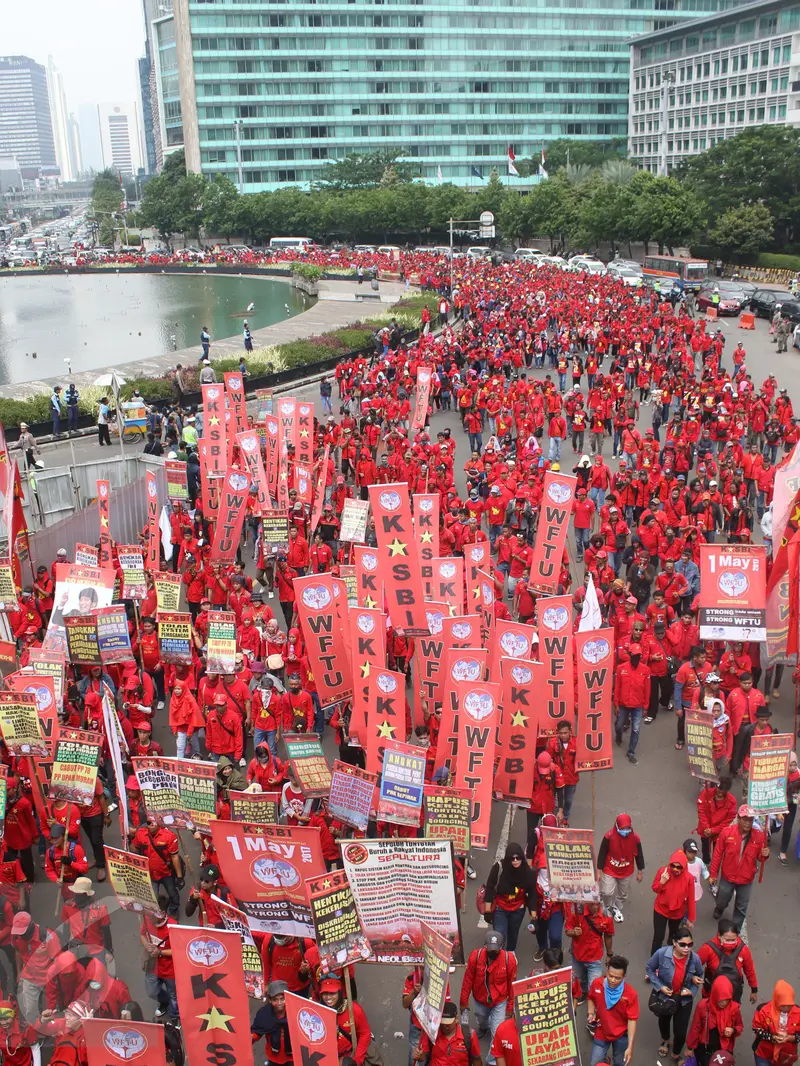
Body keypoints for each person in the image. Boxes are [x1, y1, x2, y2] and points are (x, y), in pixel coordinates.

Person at [645, 925, 704, 1062]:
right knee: (664, 1022)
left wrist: (692, 991)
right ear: (674, 942)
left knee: (681, 1031)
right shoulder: (662, 954)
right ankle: (666, 1041)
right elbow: (649, 968)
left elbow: (699, 975)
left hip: (684, 1000)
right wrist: (660, 987)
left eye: (690, 944)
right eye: (683, 944)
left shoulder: (694, 959)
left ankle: (676, 1053)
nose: (687, 948)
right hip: (665, 997)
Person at [709, 803, 769, 928]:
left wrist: (765, 854)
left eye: (750, 820)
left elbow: (759, 857)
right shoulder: (727, 832)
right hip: (727, 876)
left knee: (741, 907)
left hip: (746, 879)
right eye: (745, 819)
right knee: (721, 899)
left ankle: (736, 929)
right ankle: (720, 908)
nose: (747, 823)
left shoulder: (759, 836)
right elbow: (717, 854)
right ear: (738, 818)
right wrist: (713, 874)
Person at [459, 930, 516, 1058]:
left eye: (495, 950)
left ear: (501, 947)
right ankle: (484, 1028)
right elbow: (468, 980)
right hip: (480, 999)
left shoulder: (509, 960)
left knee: (497, 1033)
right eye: (490, 950)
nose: (492, 953)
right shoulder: (475, 957)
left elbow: (512, 984)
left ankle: (491, 1061)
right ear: (485, 946)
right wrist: (463, 1002)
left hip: (499, 1001)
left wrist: (510, 1007)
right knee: (481, 1018)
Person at [482, 843, 537, 952]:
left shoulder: (528, 873)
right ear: (508, 859)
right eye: (512, 858)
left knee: (513, 932)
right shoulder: (499, 868)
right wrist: (487, 909)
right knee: (499, 934)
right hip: (500, 908)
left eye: (518, 858)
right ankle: (499, 954)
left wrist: (534, 915)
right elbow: (490, 887)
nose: (515, 861)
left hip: (518, 909)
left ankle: (511, 952)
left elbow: (532, 893)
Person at [586, 954, 638, 1066]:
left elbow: (632, 1020)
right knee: (595, 1063)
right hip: (601, 1031)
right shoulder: (597, 984)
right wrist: (590, 1013)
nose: (613, 980)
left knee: (620, 1063)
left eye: (618, 978)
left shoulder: (631, 994)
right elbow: (590, 997)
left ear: (624, 977)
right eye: (610, 976)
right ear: (607, 972)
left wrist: (630, 1047)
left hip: (621, 1036)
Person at [596, 814, 645, 923]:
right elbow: (602, 854)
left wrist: (640, 871)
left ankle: (616, 906)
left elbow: (639, 855)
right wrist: (599, 871)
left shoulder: (635, 838)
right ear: (617, 827)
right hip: (610, 869)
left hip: (626, 871)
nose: (625, 831)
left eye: (627, 828)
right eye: (622, 829)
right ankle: (607, 906)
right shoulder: (608, 836)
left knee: (623, 893)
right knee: (606, 892)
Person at [686, 976, 744, 1066]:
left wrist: (733, 1030)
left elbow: (739, 1026)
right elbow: (696, 1027)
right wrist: (690, 1047)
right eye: (721, 999)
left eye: (727, 999)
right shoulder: (703, 1006)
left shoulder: (734, 1009)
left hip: (723, 1051)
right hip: (705, 1050)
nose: (724, 1003)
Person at [564, 900, 614, 1003]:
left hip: (595, 958)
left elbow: (608, 936)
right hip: (578, 955)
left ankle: (593, 1009)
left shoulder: (607, 915)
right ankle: (583, 992)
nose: (595, 907)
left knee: (595, 987)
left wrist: (609, 955)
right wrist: (573, 932)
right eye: (592, 904)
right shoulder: (576, 912)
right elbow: (567, 930)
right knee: (580, 979)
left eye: (597, 904)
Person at [651, 849, 696, 954]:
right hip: (660, 910)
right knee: (658, 936)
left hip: (677, 913)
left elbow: (691, 899)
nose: (675, 869)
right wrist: (661, 882)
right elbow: (655, 888)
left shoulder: (689, 878)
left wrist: (690, 919)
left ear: (684, 866)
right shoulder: (663, 872)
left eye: (679, 867)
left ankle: (669, 956)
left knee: (673, 936)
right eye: (673, 866)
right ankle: (655, 959)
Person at [414, 1000, 482, 1066]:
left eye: (448, 1024)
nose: (444, 1027)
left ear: (456, 1019)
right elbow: (423, 1057)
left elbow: (476, 1059)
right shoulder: (431, 1032)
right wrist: (419, 1055)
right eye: (442, 1023)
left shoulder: (470, 1035)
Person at [752, 980, 800, 1066]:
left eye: (789, 1006)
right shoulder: (763, 1010)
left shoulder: (798, 1012)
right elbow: (757, 1029)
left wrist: (789, 1038)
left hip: (785, 1056)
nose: (786, 1008)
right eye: (782, 1005)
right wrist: (772, 1037)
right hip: (764, 1054)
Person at [251, 980, 293, 1066]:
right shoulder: (265, 1015)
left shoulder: (295, 1012)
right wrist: (250, 1038)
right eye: (275, 1000)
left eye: (282, 999)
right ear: (270, 1000)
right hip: (273, 1056)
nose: (279, 1003)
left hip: (292, 1056)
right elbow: (258, 1032)